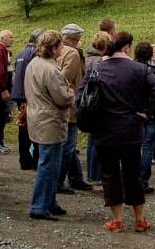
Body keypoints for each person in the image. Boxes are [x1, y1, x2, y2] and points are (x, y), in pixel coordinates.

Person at [89, 32, 155, 233]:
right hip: (131, 128)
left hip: (104, 129)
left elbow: (83, 97)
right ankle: (140, 219)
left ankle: (117, 220)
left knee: (110, 174)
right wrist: (147, 112)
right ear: (127, 47)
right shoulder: (139, 69)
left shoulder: (97, 69)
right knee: (133, 173)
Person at [25, 30, 75, 221]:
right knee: (48, 165)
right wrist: (70, 93)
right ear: (53, 48)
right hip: (50, 120)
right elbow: (62, 98)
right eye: (60, 45)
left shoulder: (33, 64)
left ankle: (49, 202)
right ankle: (39, 206)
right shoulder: (51, 69)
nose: (62, 48)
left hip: (38, 117)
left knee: (50, 163)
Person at [56, 23, 90, 193]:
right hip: (70, 103)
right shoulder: (72, 54)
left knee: (68, 144)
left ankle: (76, 178)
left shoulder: (57, 51)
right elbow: (63, 79)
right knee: (68, 146)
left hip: (59, 103)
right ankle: (58, 182)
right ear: (77, 38)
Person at [12, 28, 44, 170]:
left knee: (23, 128)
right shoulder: (34, 54)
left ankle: (24, 160)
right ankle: (35, 160)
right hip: (28, 95)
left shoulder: (21, 53)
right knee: (34, 129)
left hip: (19, 94)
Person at [134, 41, 155, 193]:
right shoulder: (151, 72)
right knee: (147, 149)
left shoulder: (129, 70)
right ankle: (143, 181)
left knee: (135, 148)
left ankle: (133, 179)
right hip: (149, 115)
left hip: (134, 114)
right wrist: (150, 110)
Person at [85, 31, 111, 183]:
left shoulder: (87, 58)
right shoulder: (101, 62)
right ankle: (96, 174)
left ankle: (91, 173)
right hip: (97, 103)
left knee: (91, 140)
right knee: (98, 141)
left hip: (87, 103)